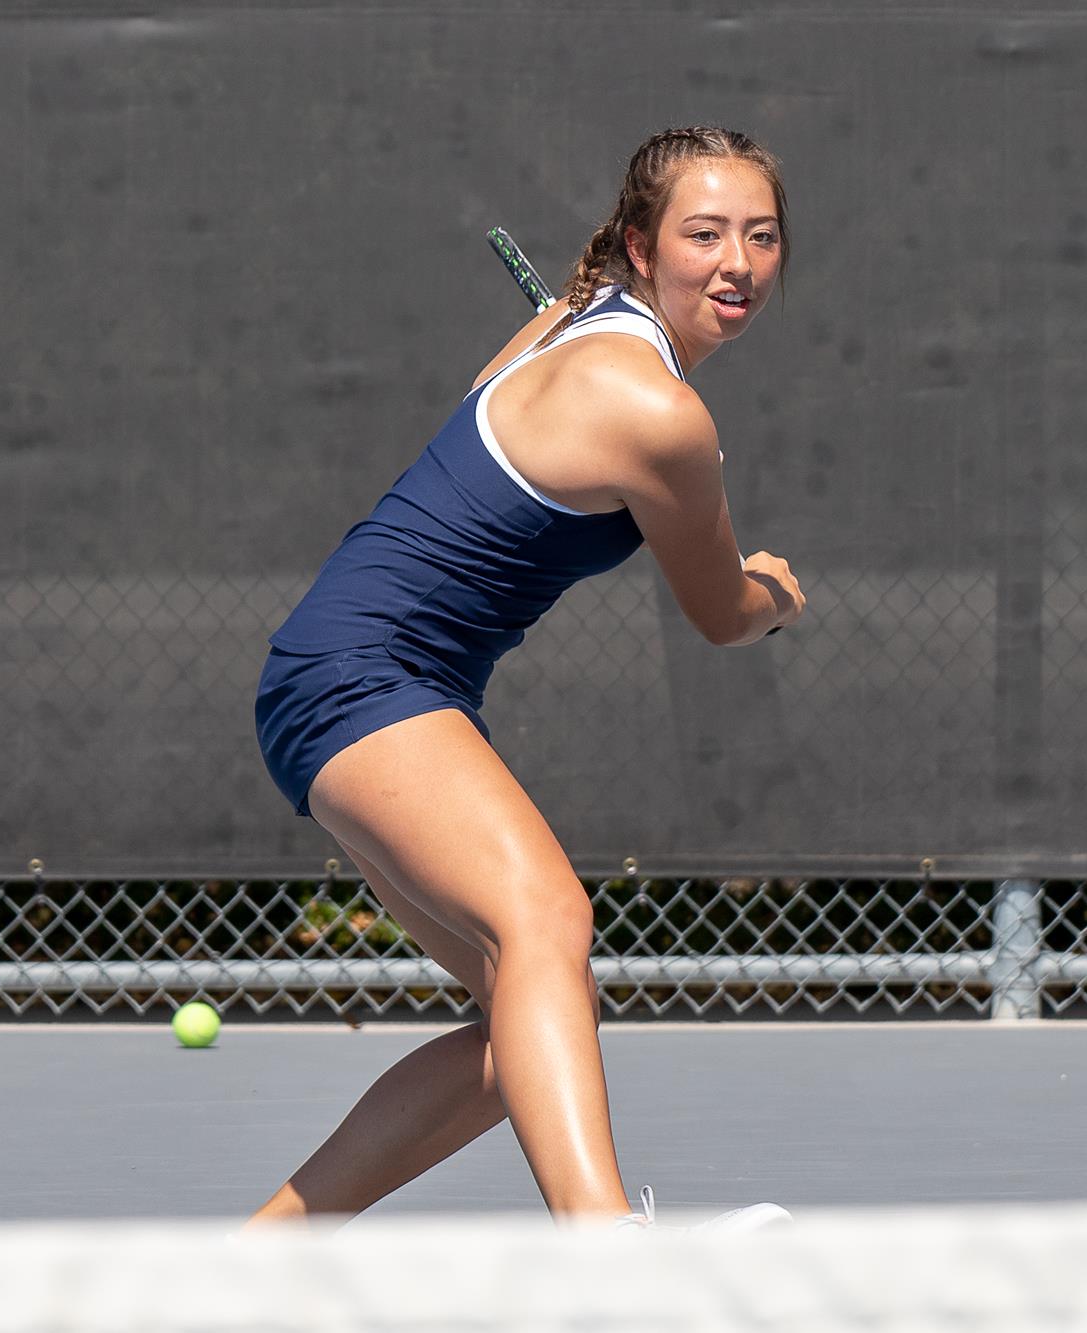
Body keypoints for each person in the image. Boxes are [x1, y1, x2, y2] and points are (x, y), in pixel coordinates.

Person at [247, 127, 806, 1229]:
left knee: (531, 1027)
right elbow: (719, 615)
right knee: (545, 921)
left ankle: (257, 1265)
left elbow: (498, 390)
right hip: (365, 675)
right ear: (643, 249)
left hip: (342, 677)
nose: (735, 262)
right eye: (702, 235)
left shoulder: (565, 324)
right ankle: (601, 1254)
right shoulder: (658, 412)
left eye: (761, 236)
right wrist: (771, 592)